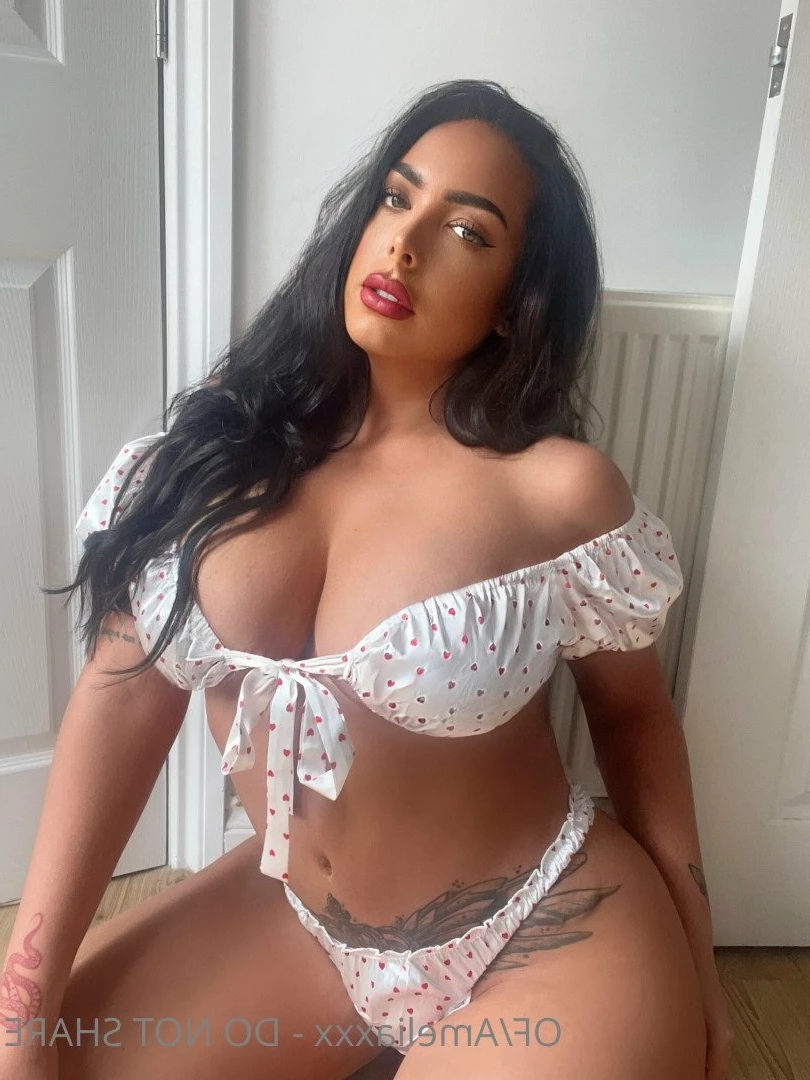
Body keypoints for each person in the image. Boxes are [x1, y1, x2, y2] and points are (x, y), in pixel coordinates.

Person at [1, 79, 714, 1079]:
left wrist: (701, 973)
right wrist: (23, 1008)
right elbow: (121, 698)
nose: (405, 244)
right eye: (395, 198)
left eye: (466, 231)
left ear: (516, 304)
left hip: (544, 933)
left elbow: (635, 719)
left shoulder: (559, 493)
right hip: (303, 926)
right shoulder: (215, 451)